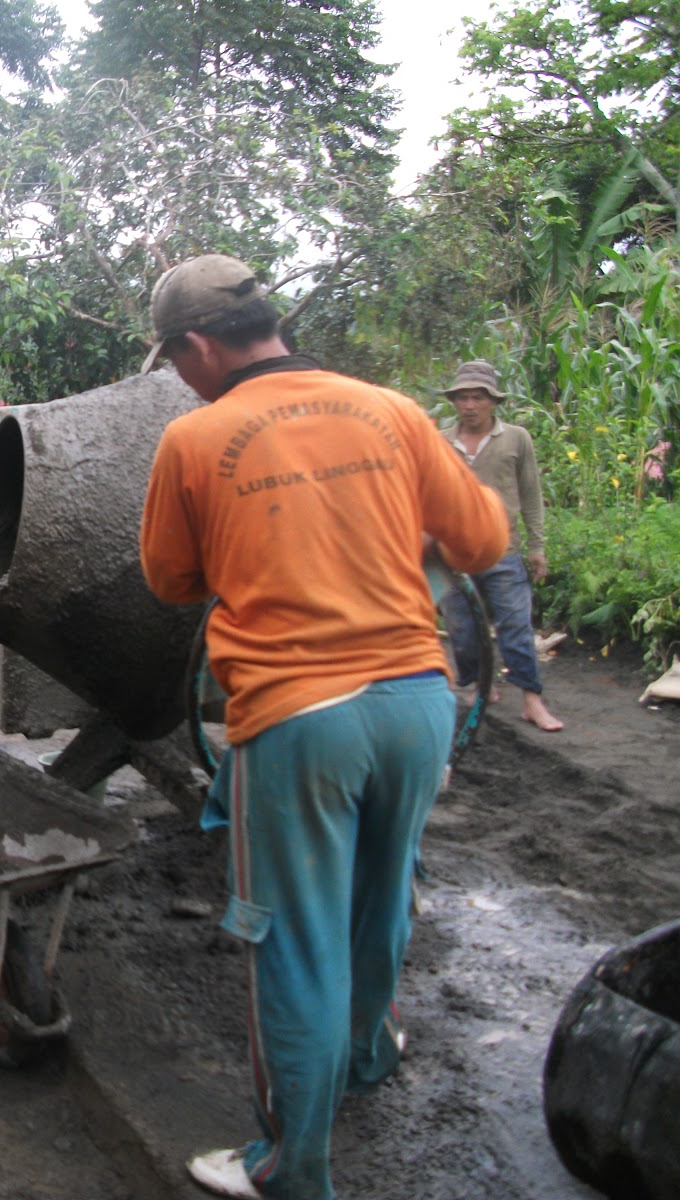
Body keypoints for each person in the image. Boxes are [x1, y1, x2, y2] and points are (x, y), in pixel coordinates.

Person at [137, 255, 510, 1200]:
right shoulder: (390, 410)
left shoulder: (196, 437)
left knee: (293, 939)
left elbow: (171, 581)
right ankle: (370, 1054)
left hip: (301, 718)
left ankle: (291, 1168)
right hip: (420, 701)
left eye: (174, 361)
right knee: (382, 899)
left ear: (195, 347)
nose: (179, 376)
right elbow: (484, 543)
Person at [439, 360, 564, 732]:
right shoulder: (440, 441)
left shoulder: (515, 439)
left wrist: (537, 546)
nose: (470, 404)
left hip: (503, 552)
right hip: (453, 556)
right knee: (462, 631)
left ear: (493, 401)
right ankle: (483, 685)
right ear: (454, 401)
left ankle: (531, 700)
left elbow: (531, 494)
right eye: (463, 397)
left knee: (516, 627)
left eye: (478, 397)